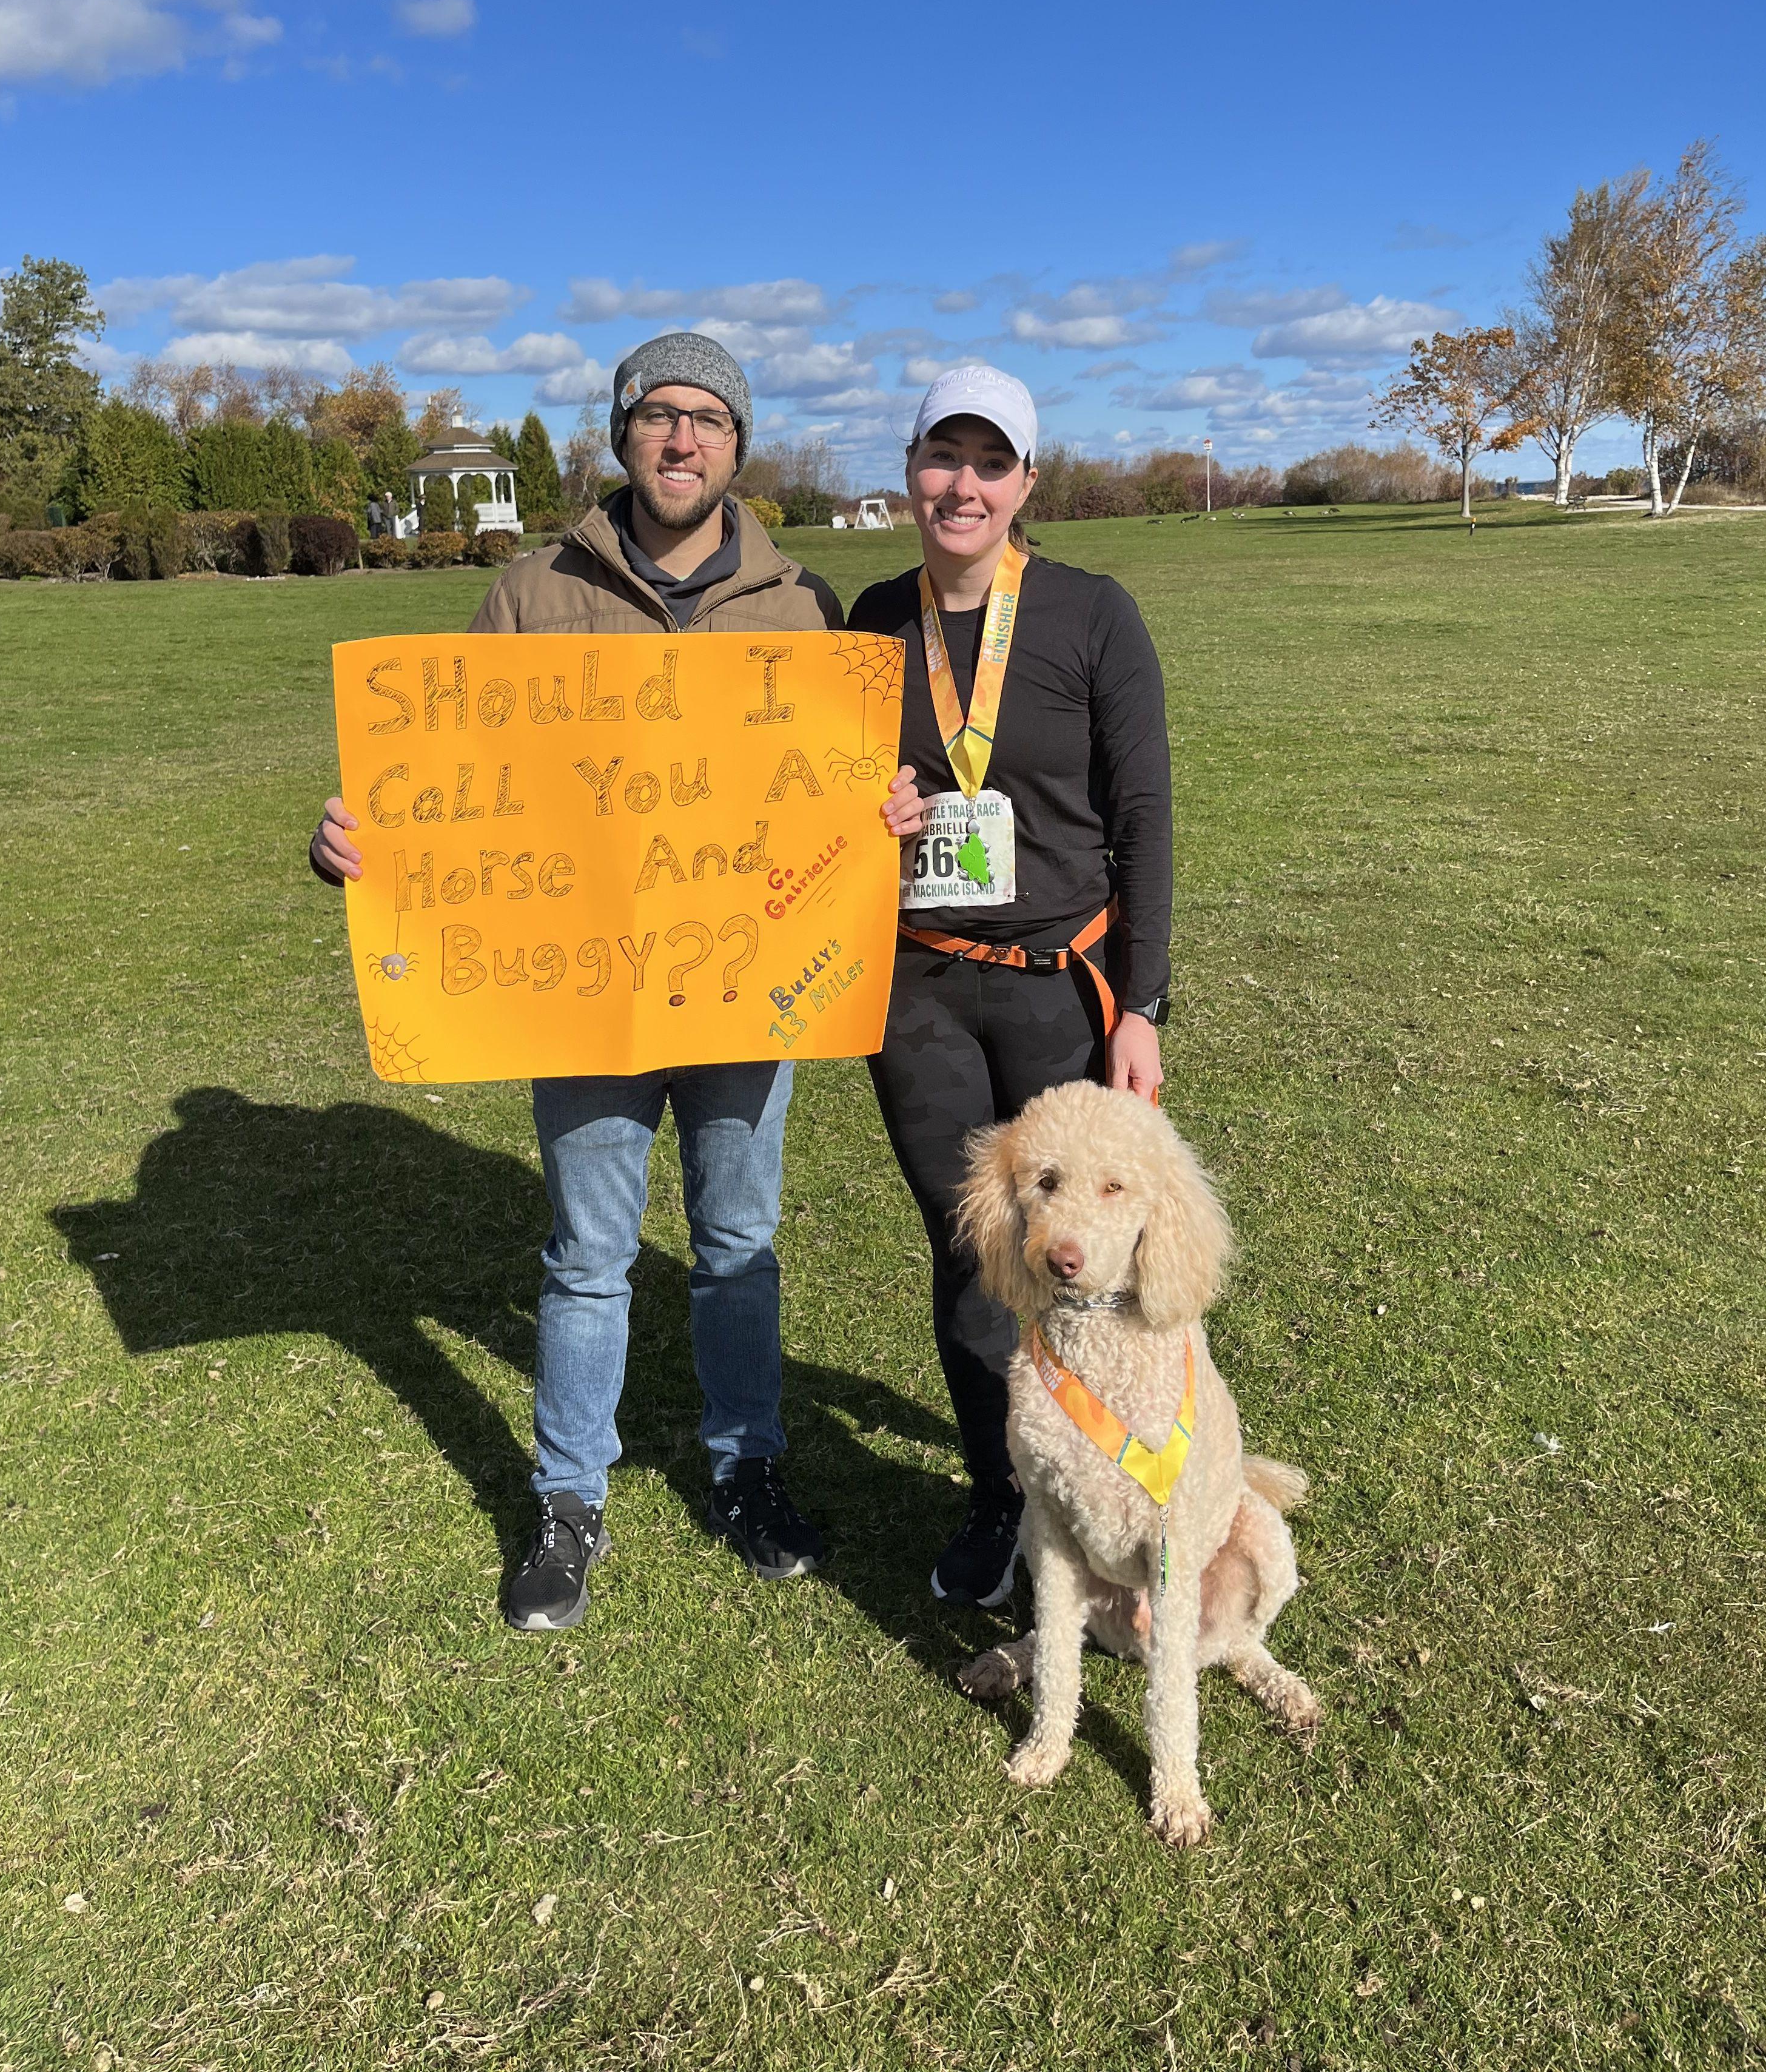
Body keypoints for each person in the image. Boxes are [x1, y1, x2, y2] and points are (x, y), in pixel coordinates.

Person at [307, 332, 844, 1632]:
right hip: (582, 986)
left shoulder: (801, 603)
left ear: (737, 443)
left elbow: (827, 793)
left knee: (736, 1247)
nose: (681, 440)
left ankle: (747, 1469)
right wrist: (359, 848)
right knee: (590, 1256)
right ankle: (569, 1504)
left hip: (740, 989)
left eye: (708, 418)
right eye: (657, 415)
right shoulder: (532, 589)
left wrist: (873, 816)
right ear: (621, 433)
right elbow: (455, 781)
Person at [854, 365, 1173, 1608]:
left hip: (1061, 986)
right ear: (911, 471)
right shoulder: (872, 624)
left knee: (1088, 1257)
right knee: (979, 1256)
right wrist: (862, 807)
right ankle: (1003, 1501)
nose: (965, 485)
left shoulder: (1093, 614)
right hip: (922, 990)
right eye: (945, 458)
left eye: (993, 464)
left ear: (1026, 483)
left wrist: (1141, 1003)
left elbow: (1143, 814)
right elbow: (813, 796)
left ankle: (1121, 1491)